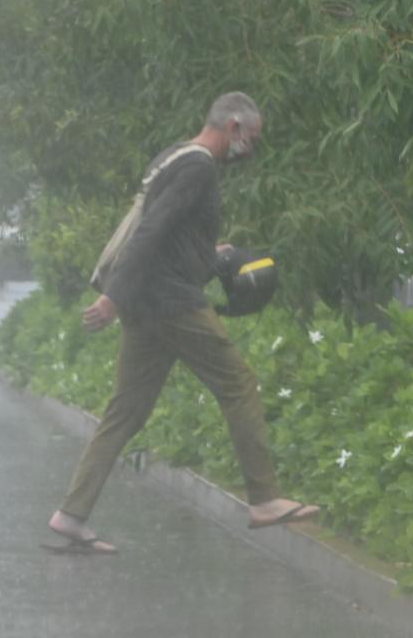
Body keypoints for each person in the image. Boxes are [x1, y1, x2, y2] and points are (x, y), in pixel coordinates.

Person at [45, 92, 319, 555]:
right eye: (250, 139)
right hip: (171, 302)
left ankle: (70, 515)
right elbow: (151, 231)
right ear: (233, 127)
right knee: (239, 383)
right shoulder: (199, 168)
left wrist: (210, 256)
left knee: (126, 411)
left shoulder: (173, 156)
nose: (250, 149)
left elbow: (169, 234)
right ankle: (265, 499)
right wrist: (113, 297)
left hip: (148, 302)